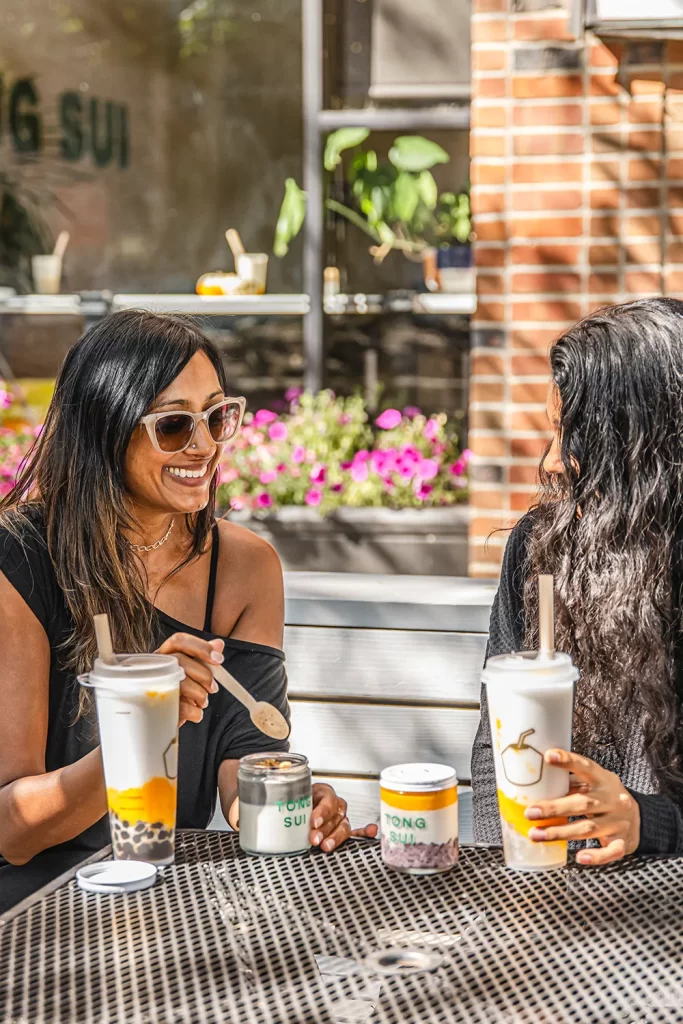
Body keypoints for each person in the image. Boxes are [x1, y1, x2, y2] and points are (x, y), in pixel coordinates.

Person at [0, 310, 376, 911]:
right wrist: (140, 732)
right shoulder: (18, 561)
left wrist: (286, 806)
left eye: (217, 415)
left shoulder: (243, 567)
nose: (204, 446)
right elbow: (13, 829)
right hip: (39, 905)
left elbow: (242, 760)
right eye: (174, 425)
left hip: (171, 896)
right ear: (106, 428)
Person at [472, 297, 683, 865]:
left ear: (647, 448)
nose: (558, 460)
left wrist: (648, 821)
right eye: (560, 431)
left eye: (582, 437)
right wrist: (518, 863)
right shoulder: (538, 550)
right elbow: (498, 746)